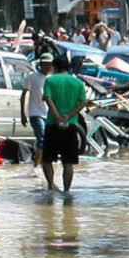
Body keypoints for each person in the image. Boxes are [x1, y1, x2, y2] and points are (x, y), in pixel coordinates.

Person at [41, 55, 88, 192]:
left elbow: (48, 99)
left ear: (54, 67)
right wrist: (69, 115)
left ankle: (51, 185)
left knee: (47, 159)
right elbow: (83, 102)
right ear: (68, 67)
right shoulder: (77, 83)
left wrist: (56, 116)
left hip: (52, 124)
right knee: (68, 162)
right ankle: (66, 191)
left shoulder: (50, 80)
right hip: (71, 125)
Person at [20, 52, 54, 170]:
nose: (47, 67)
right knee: (42, 138)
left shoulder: (51, 79)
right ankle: (36, 167)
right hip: (35, 113)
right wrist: (23, 114)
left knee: (46, 141)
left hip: (48, 114)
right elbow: (24, 95)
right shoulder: (33, 76)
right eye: (45, 65)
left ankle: (42, 164)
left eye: (49, 65)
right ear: (41, 65)